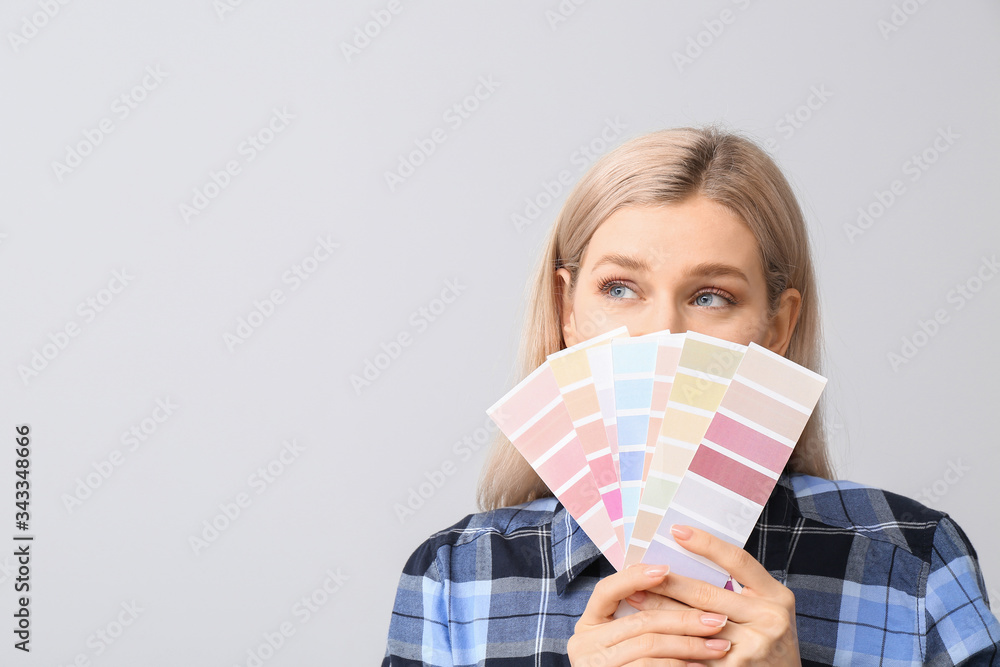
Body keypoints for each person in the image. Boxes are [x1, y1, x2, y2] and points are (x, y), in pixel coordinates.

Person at [381, 126, 1000, 665]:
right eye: (620, 288)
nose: (663, 334)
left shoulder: (914, 562)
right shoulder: (458, 579)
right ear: (569, 311)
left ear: (777, 328)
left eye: (711, 297)